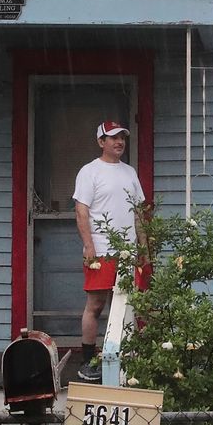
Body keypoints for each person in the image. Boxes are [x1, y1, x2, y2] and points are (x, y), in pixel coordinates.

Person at [72, 121, 143, 383]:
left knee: (128, 305)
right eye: (113, 138)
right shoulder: (89, 171)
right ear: (101, 142)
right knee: (97, 304)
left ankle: (126, 358)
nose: (119, 142)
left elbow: (138, 212)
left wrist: (144, 247)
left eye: (122, 137)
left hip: (129, 251)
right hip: (102, 249)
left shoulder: (130, 172)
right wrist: (89, 246)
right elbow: (82, 211)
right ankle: (88, 361)